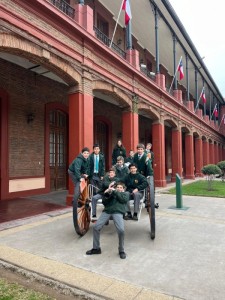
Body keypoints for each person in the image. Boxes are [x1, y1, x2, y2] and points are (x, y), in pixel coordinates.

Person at [86, 182, 129, 259]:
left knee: (121, 230)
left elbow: (123, 200)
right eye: (117, 187)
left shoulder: (125, 194)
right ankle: (96, 248)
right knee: (96, 227)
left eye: (120, 187)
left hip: (117, 212)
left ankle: (121, 250)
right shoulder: (112, 193)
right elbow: (105, 203)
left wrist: (115, 191)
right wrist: (106, 194)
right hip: (107, 211)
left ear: (123, 189)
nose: (119, 188)